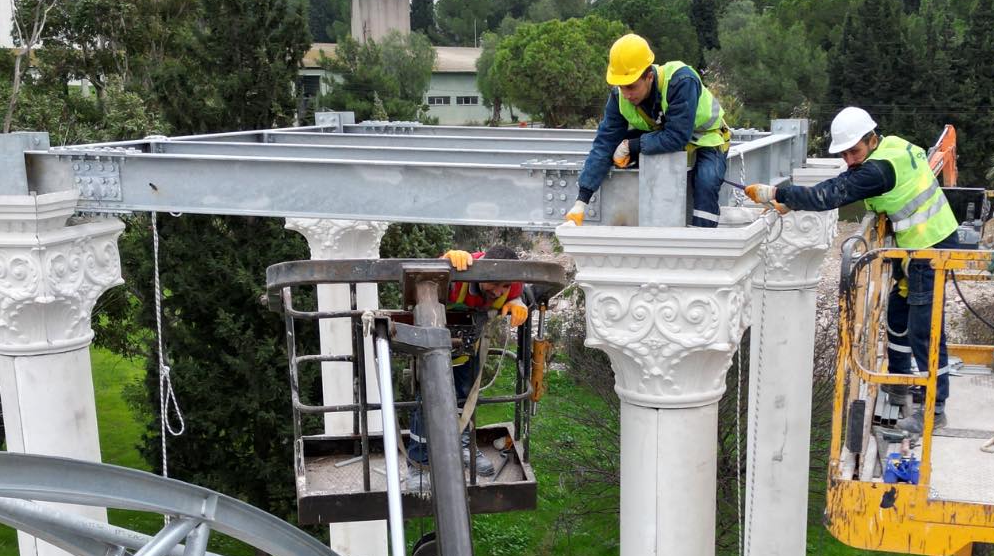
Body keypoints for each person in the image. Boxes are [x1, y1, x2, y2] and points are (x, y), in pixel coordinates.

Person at [745, 107, 960, 434]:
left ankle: (936, 406)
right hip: (916, 248)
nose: (849, 159)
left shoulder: (879, 170)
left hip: (930, 249)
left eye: (854, 151)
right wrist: (793, 201)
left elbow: (831, 194)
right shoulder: (892, 147)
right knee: (898, 316)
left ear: (871, 139)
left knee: (924, 328)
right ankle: (899, 382)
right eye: (844, 153)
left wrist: (776, 193)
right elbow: (843, 181)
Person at [563, 33, 731, 229]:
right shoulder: (619, 97)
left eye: (631, 87)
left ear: (649, 76)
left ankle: (703, 239)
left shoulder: (681, 81)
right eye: (621, 87)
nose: (626, 95)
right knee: (615, 153)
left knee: (706, 181)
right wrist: (581, 201)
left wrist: (631, 146)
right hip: (665, 136)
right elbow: (604, 143)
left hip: (708, 138)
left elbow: (676, 136)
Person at [405, 248, 530, 482]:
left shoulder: (514, 283)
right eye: (495, 284)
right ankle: (418, 464)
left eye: (505, 287)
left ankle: (462, 447)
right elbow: (422, 283)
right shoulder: (460, 271)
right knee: (426, 402)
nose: (499, 291)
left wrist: (517, 301)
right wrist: (442, 263)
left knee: (465, 399)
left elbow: (530, 291)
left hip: (469, 346)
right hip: (432, 342)